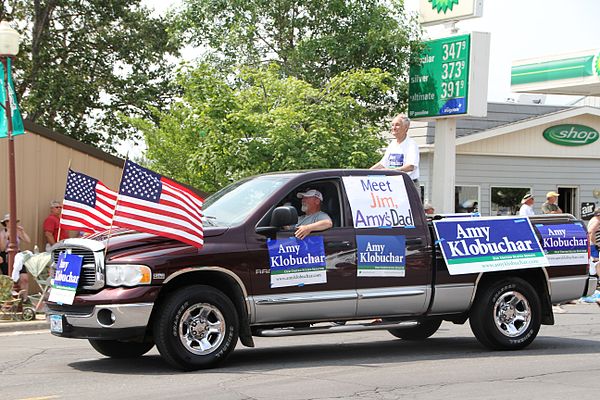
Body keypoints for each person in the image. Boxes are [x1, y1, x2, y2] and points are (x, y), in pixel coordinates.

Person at [370, 114, 420, 190]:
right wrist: (367, 172)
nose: (394, 128)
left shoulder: (411, 144)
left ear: (406, 128)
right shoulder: (392, 144)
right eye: (392, 125)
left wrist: (392, 171)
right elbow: (382, 164)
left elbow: (411, 166)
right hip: (394, 185)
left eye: (397, 125)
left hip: (408, 185)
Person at [0, 214, 31, 290]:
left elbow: (28, 240)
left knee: (24, 278)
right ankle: (10, 298)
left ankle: (24, 298)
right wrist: (6, 236)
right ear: (6, 222)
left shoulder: (17, 231)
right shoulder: (3, 233)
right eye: (11, 221)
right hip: (6, 256)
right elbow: (2, 248)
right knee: (10, 280)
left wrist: (22, 231)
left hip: (18, 256)